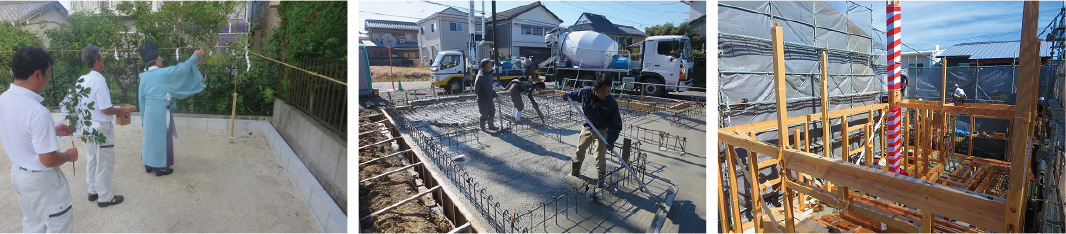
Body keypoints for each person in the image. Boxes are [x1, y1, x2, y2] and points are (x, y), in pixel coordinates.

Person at [0, 46, 78, 232]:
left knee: (34, 224)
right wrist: (68, 155)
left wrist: (53, 129)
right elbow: (48, 159)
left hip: (20, 174)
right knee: (59, 225)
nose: (48, 79)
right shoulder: (38, 112)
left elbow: (20, 129)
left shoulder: (4, 99)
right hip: (43, 182)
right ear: (37, 74)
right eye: (48, 74)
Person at [62, 45, 130, 207]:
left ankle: (93, 190)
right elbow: (105, 108)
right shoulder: (98, 80)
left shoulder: (81, 79)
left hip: (87, 126)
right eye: (102, 58)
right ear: (98, 60)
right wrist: (120, 109)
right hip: (100, 128)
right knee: (104, 161)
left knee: (92, 159)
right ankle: (105, 196)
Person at [137, 41, 207, 176]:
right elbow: (182, 69)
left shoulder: (143, 76)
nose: (162, 60)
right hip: (162, 111)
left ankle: (148, 164)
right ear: (157, 61)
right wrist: (194, 57)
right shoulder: (164, 73)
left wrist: (142, 118)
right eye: (160, 59)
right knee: (162, 139)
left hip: (148, 112)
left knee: (149, 138)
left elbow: (141, 98)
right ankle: (161, 168)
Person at [562, 73, 622, 184]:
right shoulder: (585, 92)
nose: (606, 94)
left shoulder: (611, 103)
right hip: (588, 126)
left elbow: (616, 124)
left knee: (600, 156)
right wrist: (567, 95)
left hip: (602, 130)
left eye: (609, 91)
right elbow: (574, 94)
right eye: (603, 91)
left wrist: (611, 140)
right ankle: (575, 172)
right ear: (595, 89)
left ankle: (601, 182)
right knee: (580, 149)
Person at [474, 58, 499, 131]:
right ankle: (483, 129)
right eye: (490, 64)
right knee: (484, 114)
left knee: (492, 111)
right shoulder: (482, 77)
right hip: (482, 98)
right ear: (485, 66)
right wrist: (496, 95)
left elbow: (489, 74)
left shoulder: (484, 72)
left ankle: (491, 126)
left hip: (488, 97)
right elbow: (489, 89)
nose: (491, 65)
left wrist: (493, 70)